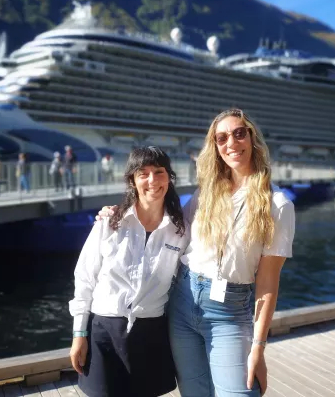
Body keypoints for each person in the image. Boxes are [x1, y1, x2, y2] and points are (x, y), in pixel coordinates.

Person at [98, 109, 295, 397]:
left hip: (230, 311)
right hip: (182, 300)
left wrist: (258, 347)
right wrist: (118, 213)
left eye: (239, 133)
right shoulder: (207, 193)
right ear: (215, 147)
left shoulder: (277, 204)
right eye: (221, 138)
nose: (231, 143)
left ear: (253, 138)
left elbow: (268, 283)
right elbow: (168, 225)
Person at [69, 146, 189, 397]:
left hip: (150, 331)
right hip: (104, 330)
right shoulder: (110, 221)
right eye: (143, 173)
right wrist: (79, 333)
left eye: (159, 172)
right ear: (132, 181)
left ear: (169, 178)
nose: (152, 180)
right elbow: (85, 277)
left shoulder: (180, 231)